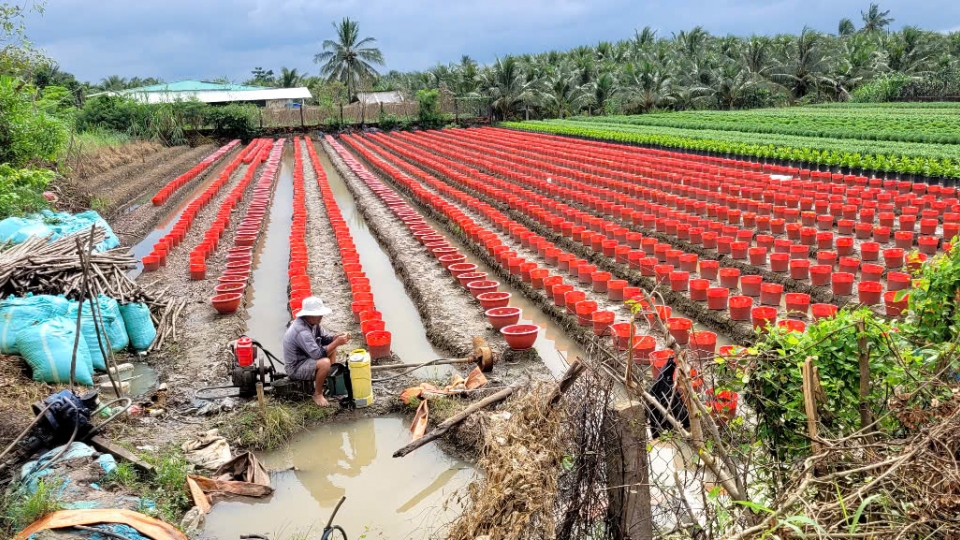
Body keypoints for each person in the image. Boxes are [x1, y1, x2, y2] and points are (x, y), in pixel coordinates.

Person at [282, 296, 351, 407]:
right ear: (309, 315)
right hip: (296, 367)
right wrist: (337, 342)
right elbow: (318, 355)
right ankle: (317, 393)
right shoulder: (301, 331)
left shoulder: (313, 324)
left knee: (332, 348)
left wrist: (334, 338)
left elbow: (324, 337)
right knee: (325, 363)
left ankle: (328, 381)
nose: (321, 317)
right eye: (318, 314)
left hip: (306, 358)